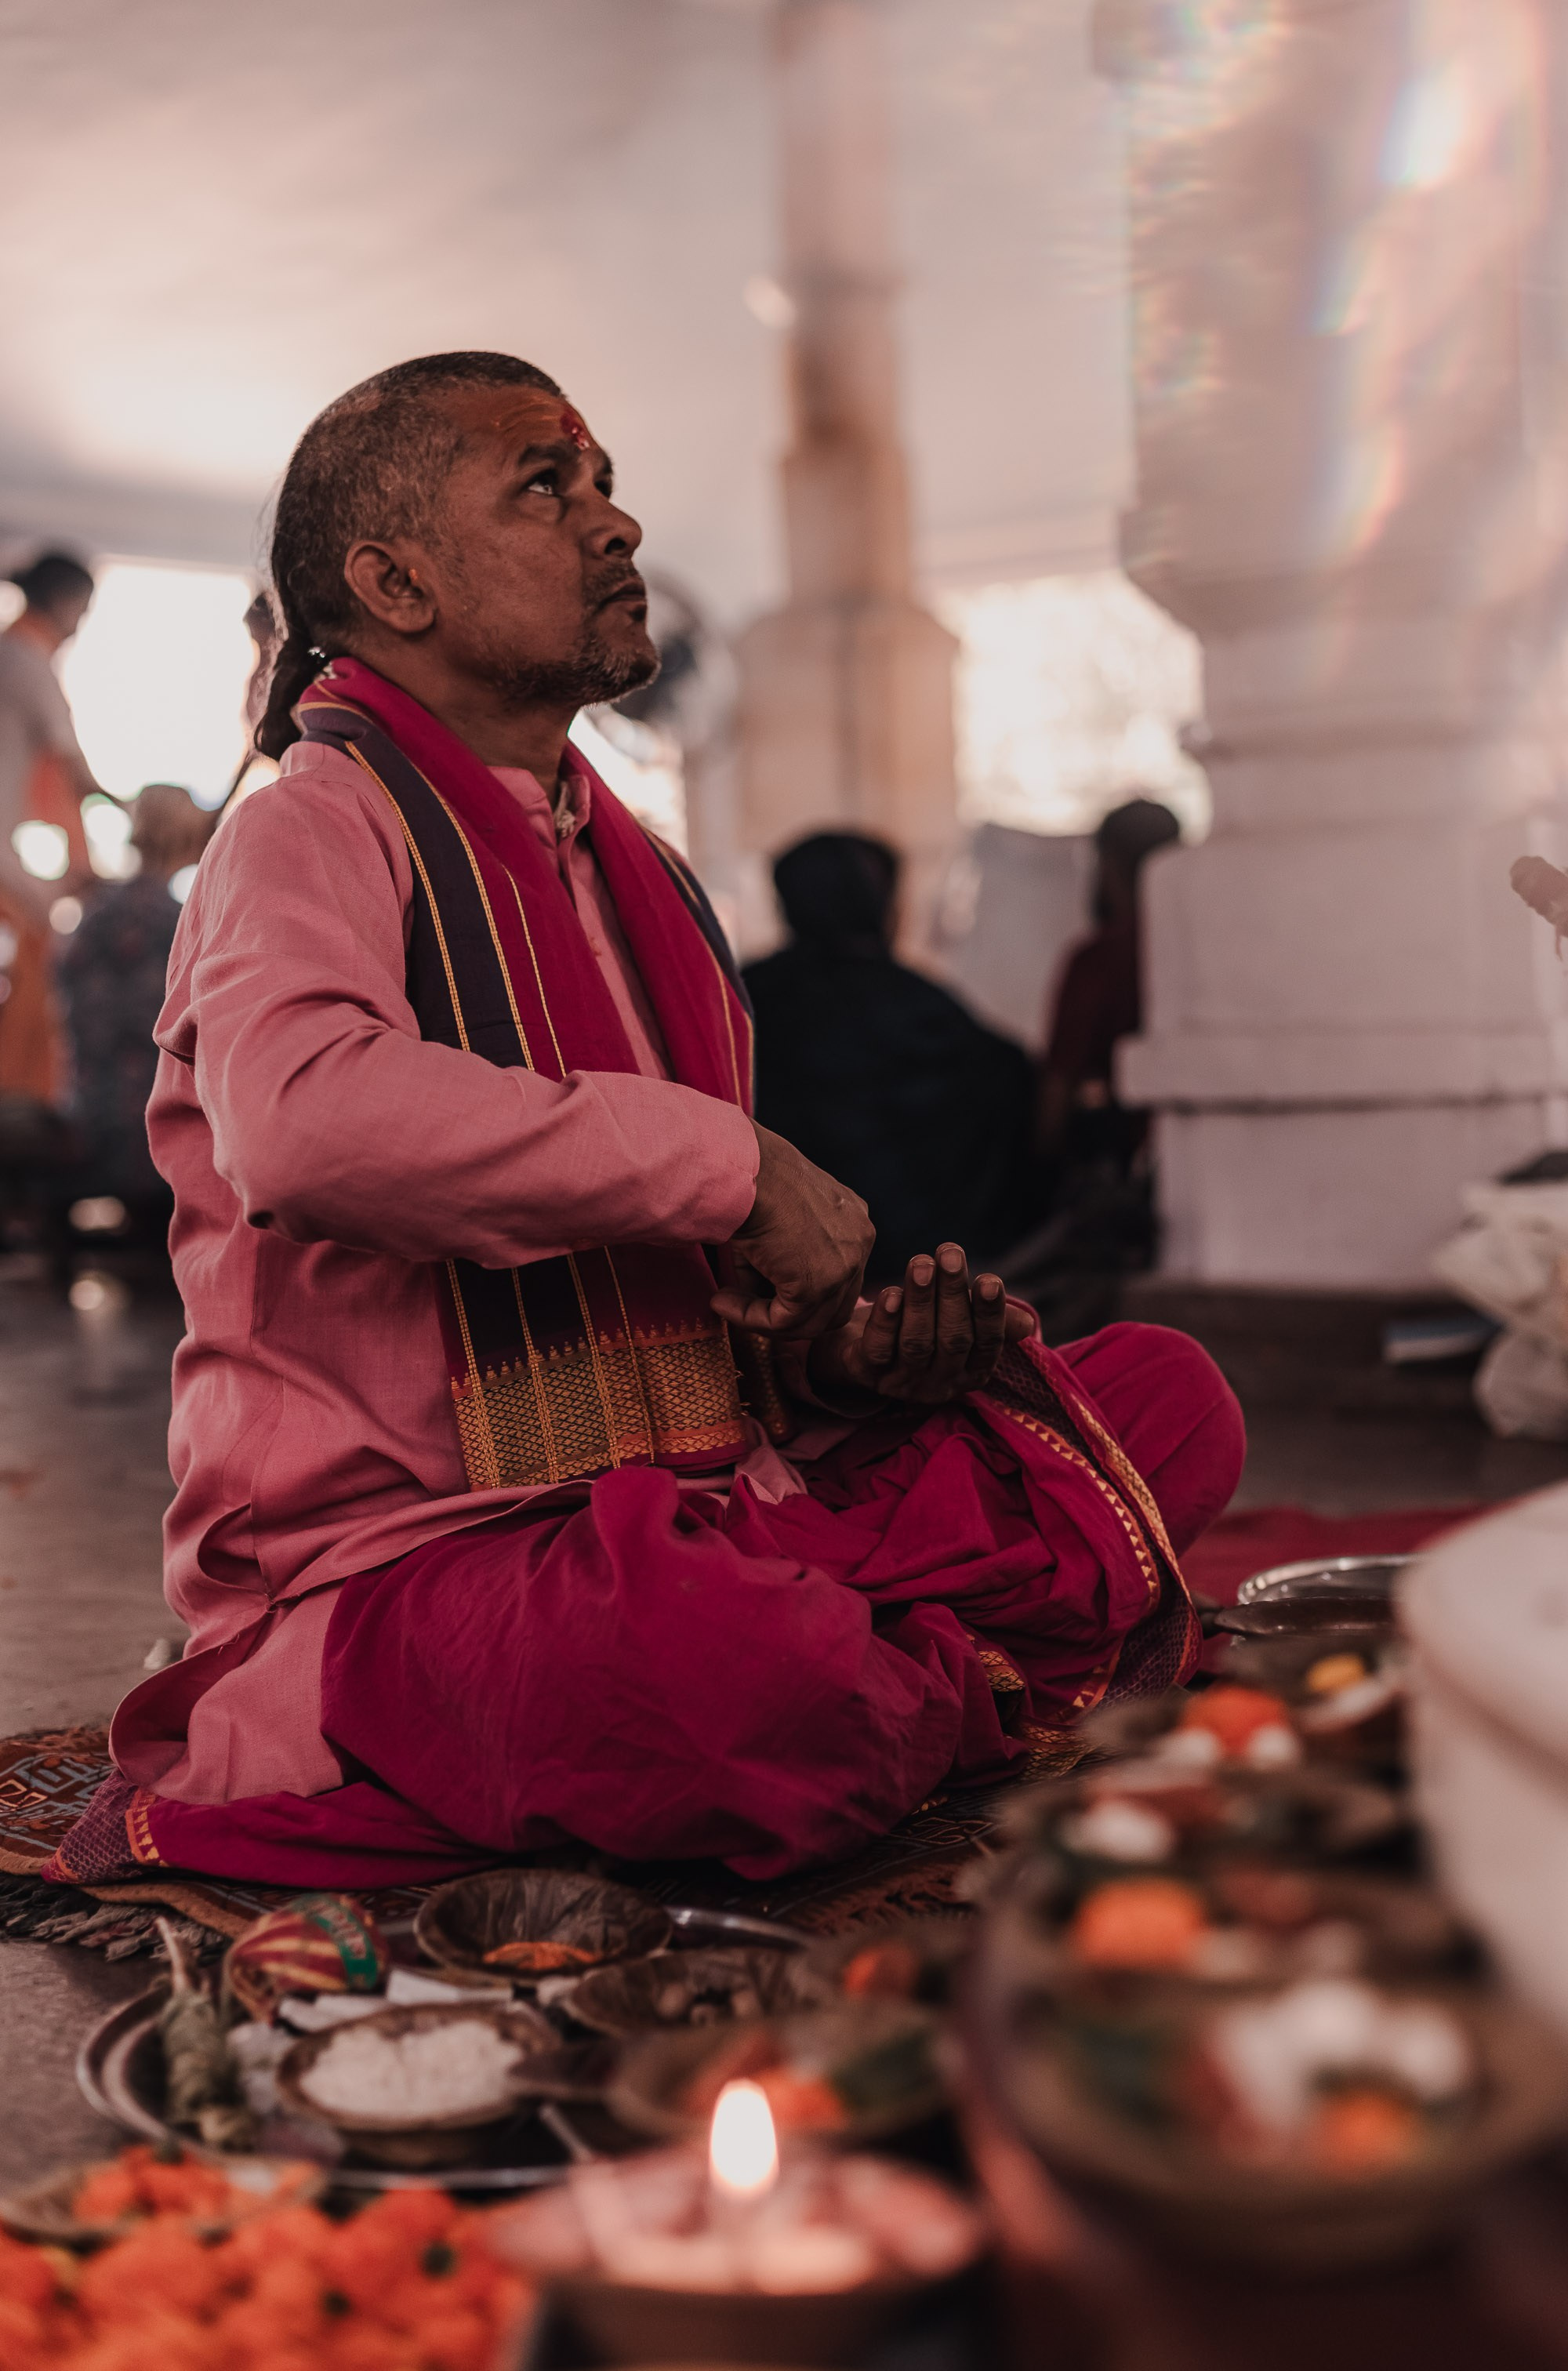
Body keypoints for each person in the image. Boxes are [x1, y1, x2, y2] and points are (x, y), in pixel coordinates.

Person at [43, 353, 1242, 1895]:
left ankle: (871, 1677)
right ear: (393, 581)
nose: (616, 527)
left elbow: (689, 1309)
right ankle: (892, 1681)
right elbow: (305, 1125)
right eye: (548, 488)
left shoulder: (646, 874)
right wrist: (732, 1166)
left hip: (707, 1499)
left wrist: (837, 1365)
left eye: (604, 482)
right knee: (722, 1668)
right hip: (425, 1556)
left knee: (1163, 1395)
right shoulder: (308, 825)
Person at [744, 833, 1036, 1284]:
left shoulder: (745, 997)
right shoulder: (917, 1003)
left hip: (775, 1255)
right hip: (921, 1259)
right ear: (880, 904)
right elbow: (1009, 1089)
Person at [56, 783, 213, 1231]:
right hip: (154, 1128)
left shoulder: (94, 914)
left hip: (88, 1114)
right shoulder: (179, 922)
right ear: (187, 838)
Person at [1038, 795, 1181, 1174]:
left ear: (1111, 863)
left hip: (1121, 1172)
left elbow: (1057, 1095)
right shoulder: (1203, 948)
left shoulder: (1098, 960)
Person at [0, 550, 98, 1102]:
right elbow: (74, 773)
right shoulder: (28, 663)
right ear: (65, 604)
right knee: (39, 965)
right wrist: (148, 816)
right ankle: (19, 1102)